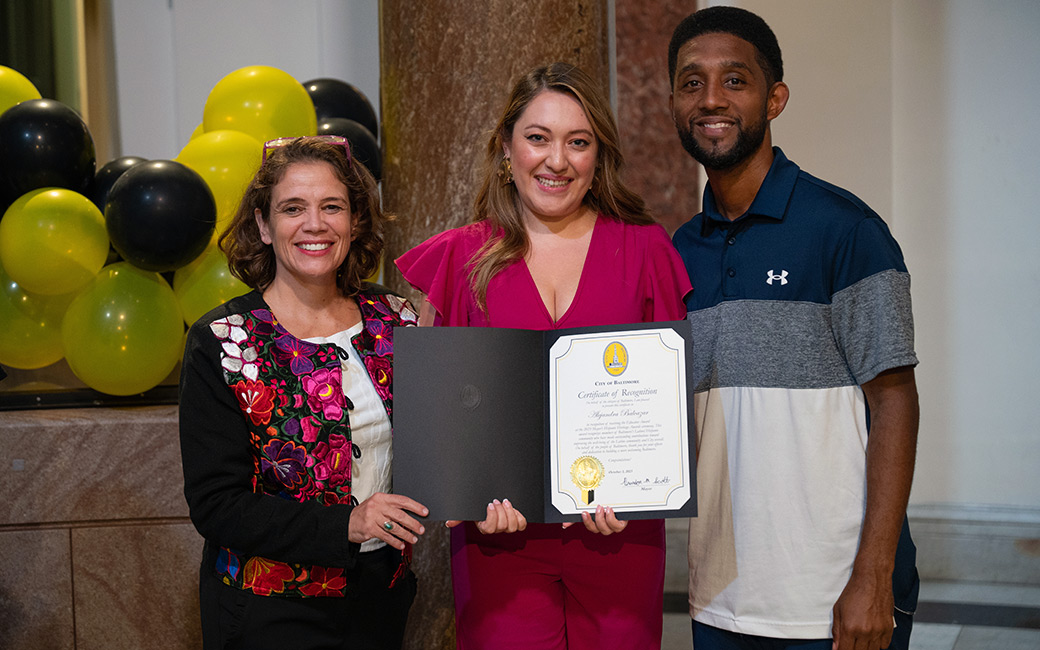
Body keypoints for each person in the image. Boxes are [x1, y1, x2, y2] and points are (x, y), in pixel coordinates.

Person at [396, 63, 691, 649]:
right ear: (507, 148)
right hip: (497, 541)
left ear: (597, 157)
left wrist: (644, 485)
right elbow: (435, 409)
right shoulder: (458, 258)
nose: (556, 160)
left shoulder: (646, 249)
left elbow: (669, 402)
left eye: (577, 142)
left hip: (618, 535)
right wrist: (464, 492)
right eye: (538, 138)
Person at [667, 7, 920, 650]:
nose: (711, 99)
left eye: (735, 80)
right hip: (721, 595)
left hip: (834, 600)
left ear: (774, 98)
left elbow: (894, 401)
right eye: (691, 82)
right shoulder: (679, 252)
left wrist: (874, 576)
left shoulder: (847, 230)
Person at [179, 135, 428, 650]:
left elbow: (441, 439)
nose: (314, 224)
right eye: (293, 208)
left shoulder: (398, 320)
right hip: (268, 610)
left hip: (381, 595)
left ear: (354, 221)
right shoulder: (224, 341)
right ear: (265, 226)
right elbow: (217, 505)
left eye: (331, 206)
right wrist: (348, 524)